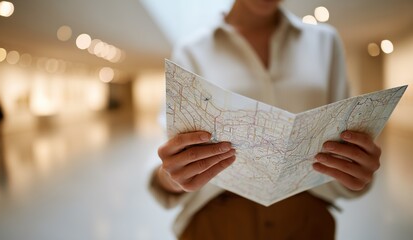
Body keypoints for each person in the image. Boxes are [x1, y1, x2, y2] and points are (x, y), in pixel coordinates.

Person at [149, 0, 382, 239]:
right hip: (216, 222)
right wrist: (174, 176)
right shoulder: (191, 50)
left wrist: (356, 169)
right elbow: (163, 157)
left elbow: (343, 137)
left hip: (307, 221)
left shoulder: (325, 42)